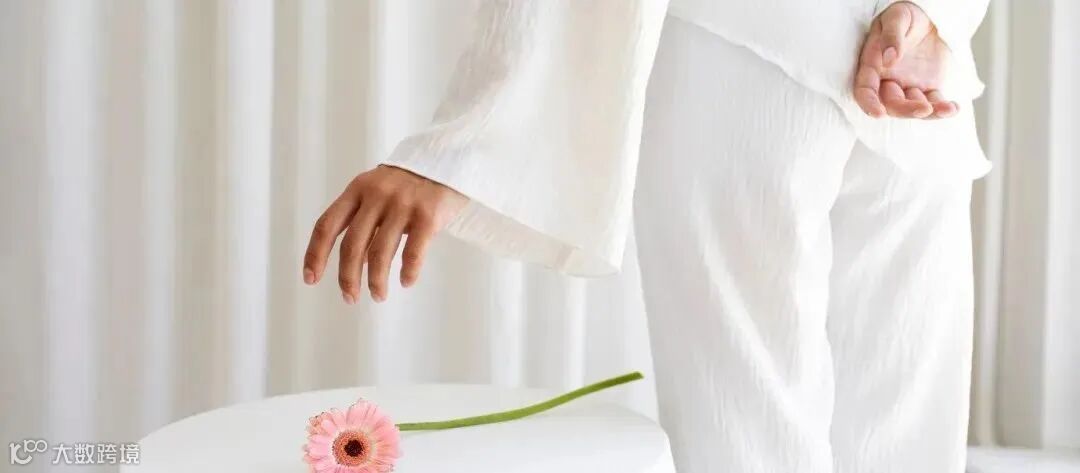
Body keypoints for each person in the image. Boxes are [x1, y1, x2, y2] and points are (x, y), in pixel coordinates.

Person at [301, 1, 990, 471]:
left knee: (749, 433)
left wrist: (460, 142)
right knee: (903, 425)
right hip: (911, 65)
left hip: (747, 54)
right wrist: (932, 17)